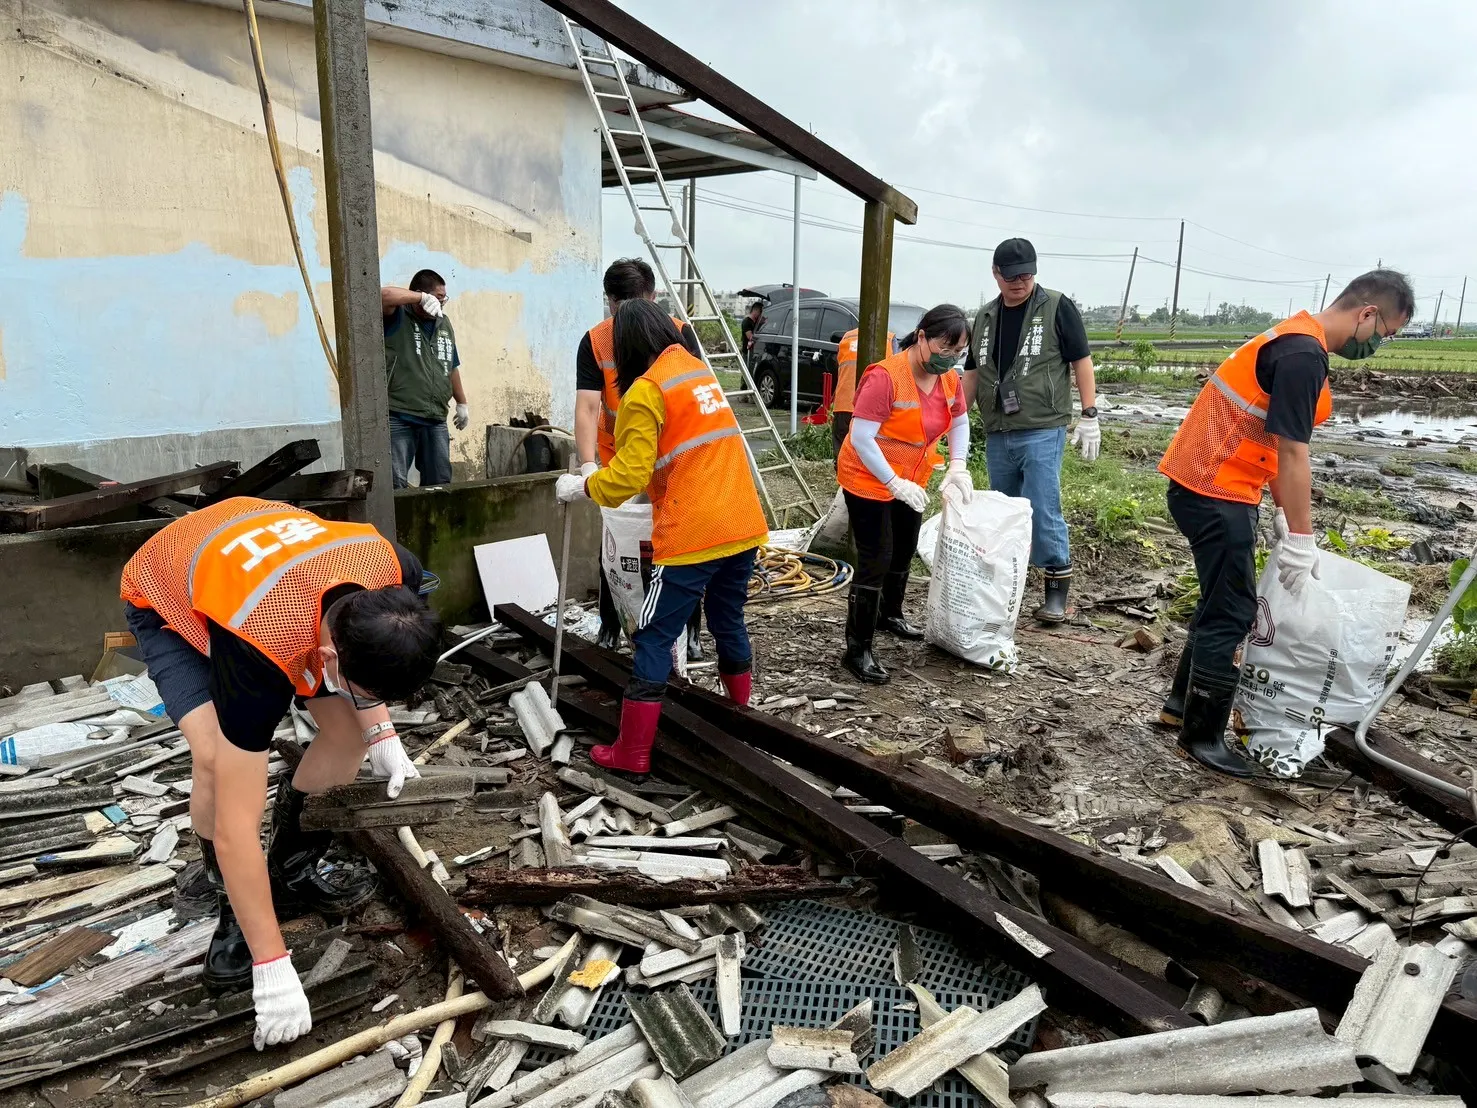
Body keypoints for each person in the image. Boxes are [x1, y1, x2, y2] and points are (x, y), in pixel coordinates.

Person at [118, 498, 439, 1048]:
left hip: (276, 567)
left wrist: (380, 731)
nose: (371, 704)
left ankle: (291, 866)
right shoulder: (257, 646)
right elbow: (236, 826)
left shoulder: (394, 572)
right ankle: (232, 906)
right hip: (172, 593)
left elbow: (366, 675)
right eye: (364, 690)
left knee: (348, 734)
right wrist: (272, 965)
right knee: (215, 760)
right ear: (327, 657)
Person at [1157, 270, 1414, 777]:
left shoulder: (1294, 338)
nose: (1377, 345)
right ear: (1367, 314)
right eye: (1384, 334)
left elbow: (1271, 442)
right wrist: (1301, 537)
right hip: (1215, 489)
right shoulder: (1302, 355)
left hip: (1206, 483)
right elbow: (1295, 453)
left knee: (1219, 599)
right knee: (1233, 611)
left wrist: (1280, 510)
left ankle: (1180, 707)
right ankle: (1201, 736)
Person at [557, 299, 768, 774]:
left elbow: (628, 476)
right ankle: (739, 723)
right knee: (728, 620)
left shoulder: (646, 391)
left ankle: (632, 753)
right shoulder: (698, 372)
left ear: (629, 347)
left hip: (693, 533)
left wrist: (584, 485)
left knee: (652, 636)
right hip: (742, 523)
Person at [963, 238, 1099, 624]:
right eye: (1011, 276)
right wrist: (956, 419)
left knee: (1042, 505)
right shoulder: (985, 317)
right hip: (998, 430)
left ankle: (1055, 591)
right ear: (996, 274)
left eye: (1026, 275)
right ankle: (1007, 587)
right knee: (1005, 511)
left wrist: (1089, 414)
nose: (1019, 283)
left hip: (1041, 426)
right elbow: (972, 372)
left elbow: (1082, 360)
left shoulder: (1056, 306)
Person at [574, 259, 706, 658]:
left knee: (680, 543)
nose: (629, 314)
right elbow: (588, 407)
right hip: (621, 455)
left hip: (672, 457)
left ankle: (690, 632)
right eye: (621, 306)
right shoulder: (596, 341)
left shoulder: (678, 334)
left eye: (638, 303)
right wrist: (587, 468)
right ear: (609, 302)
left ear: (653, 297)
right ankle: (611, 624)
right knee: (615, 542)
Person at [836, 305, 973, 684]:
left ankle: (890, 614)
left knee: (904, 547)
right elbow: (862, 437)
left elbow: (960, 422)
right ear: (922, 336)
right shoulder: (885, 377)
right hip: (867, 478)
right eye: (944, 349)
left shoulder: (949, 380)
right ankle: (857, 648)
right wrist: (892, 483)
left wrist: (958, 465)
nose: (949, 358)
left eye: (958, 352)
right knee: (876, 556)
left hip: (913, 478)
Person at [382, 270, 468, 489]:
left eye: (444, 299)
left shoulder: (444, 324)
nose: (442, 304)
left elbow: (451, 365)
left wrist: (462, 402)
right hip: (400, 415)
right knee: (395, 484)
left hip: (435, 417)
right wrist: (419, 298)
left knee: (440, 482)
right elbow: (383, 295)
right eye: (438, 298)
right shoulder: (397, 316)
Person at [831, 325, 897, 464]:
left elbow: (838, 365)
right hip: (872, 408)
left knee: (842, 452)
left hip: (844, 403)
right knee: (869, 456)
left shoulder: (847, 337)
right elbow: (896, 373)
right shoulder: (889, 339)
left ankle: (842, 475)